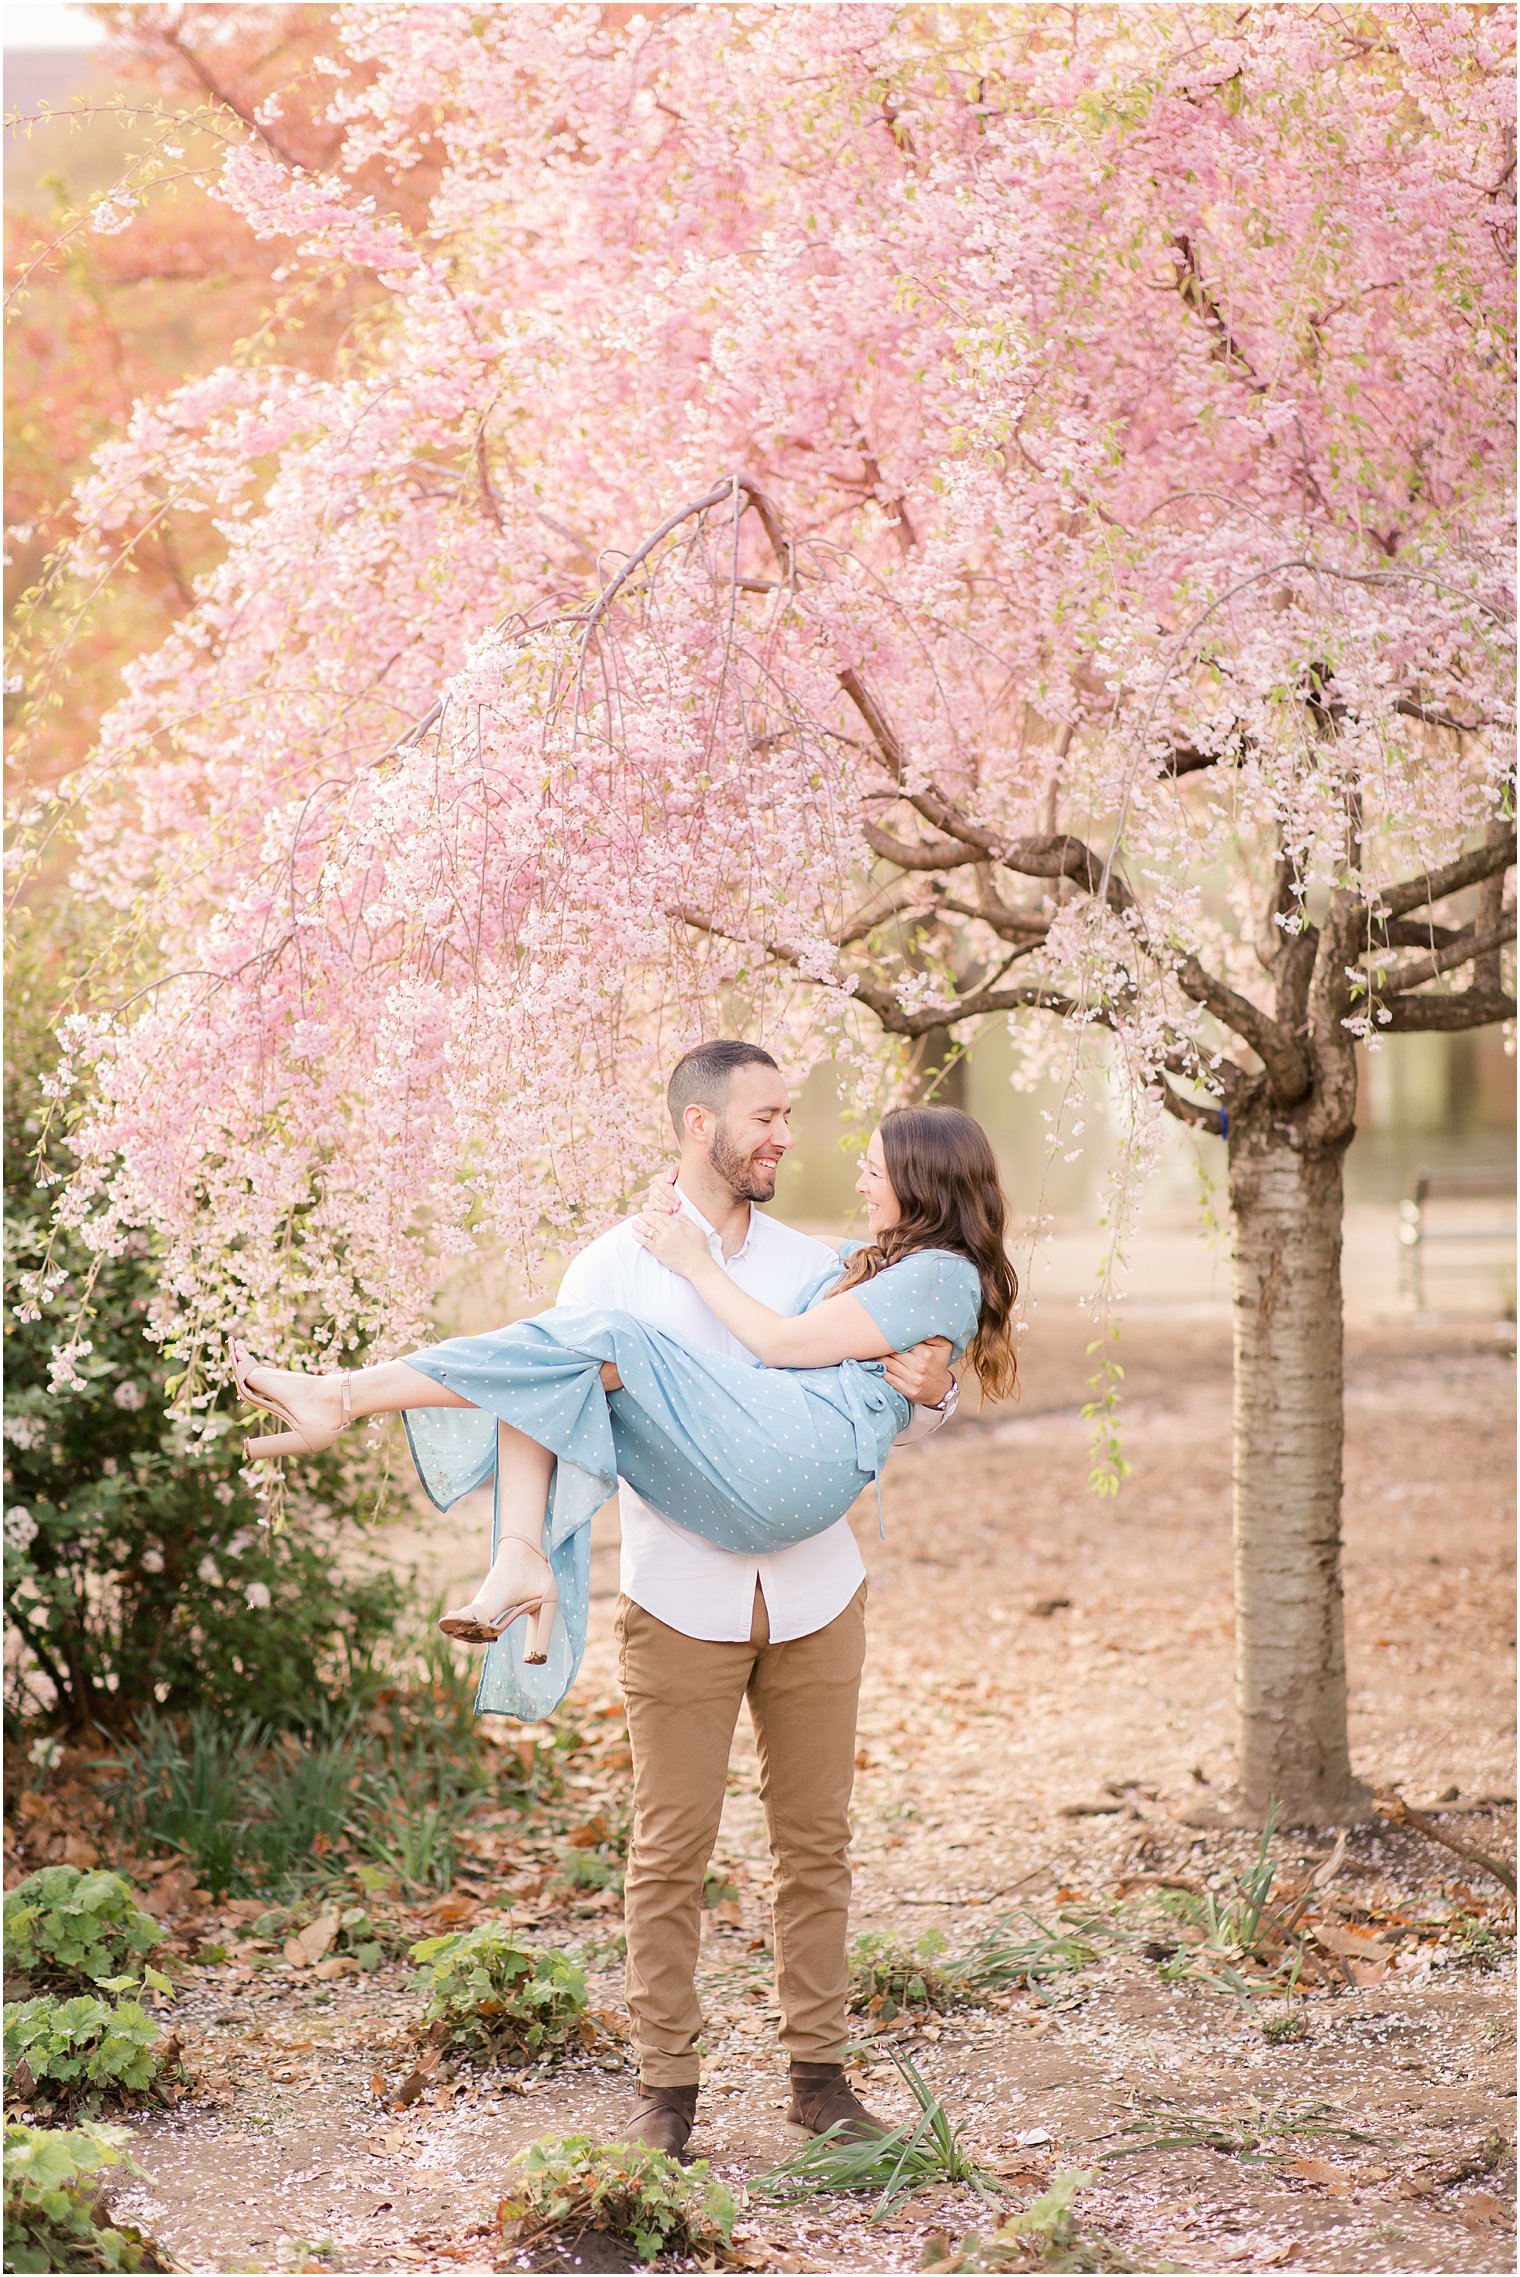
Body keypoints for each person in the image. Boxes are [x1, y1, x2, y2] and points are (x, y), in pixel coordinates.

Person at [232, 1053, 1018, 2152]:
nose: (788, 1139)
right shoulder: (607, 1266)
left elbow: (890, 1361)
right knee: (667, 1849)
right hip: (681, 1590)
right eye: (766, 1118)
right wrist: (519, 1543)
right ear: (700, 1126)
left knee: (815, 1843)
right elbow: (529, 1401)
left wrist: (934, 1393)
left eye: (788, 1117)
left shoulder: (822, 1262)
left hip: (812, 1590)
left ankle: (820, 2079)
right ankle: (666, 2087)